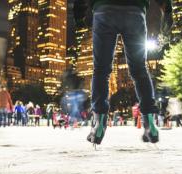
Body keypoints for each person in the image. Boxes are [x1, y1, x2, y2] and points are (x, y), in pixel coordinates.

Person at [74, 0, 173, 145]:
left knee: (101, 70)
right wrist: (167, 10)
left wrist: (79, 14)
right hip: (135, 11)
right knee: (139, 70)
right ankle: (150, 124)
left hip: (104, 10)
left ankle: (99, 124)